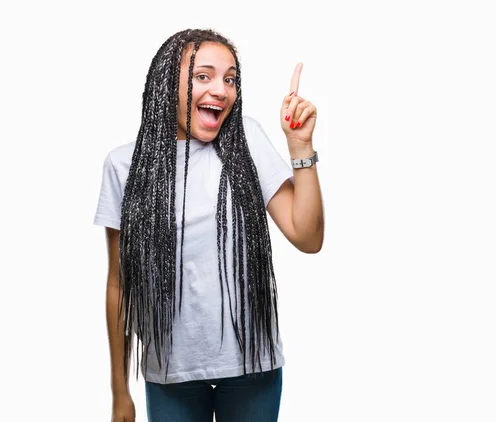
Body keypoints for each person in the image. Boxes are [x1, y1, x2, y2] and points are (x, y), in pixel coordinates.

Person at [93, 28, 324, 422]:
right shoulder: (124, 166)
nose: (221, 89)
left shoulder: (246, 139)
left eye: (230, 79)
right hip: (171, 374)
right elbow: (119, 284)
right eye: (204, 76)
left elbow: (308, 237)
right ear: (168, 82)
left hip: (253, 368)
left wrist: (300, 147)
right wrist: (119, 392)